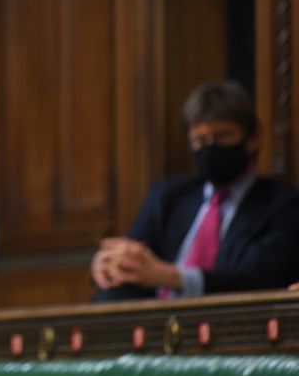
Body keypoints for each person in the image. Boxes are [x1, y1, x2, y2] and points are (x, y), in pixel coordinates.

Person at [91, 80, 299, 302]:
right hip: (156, 322)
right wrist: (109, 263)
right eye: (199, 140)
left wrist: (169, 276)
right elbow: (133, 259)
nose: (210, 148)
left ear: (253, 138)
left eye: (222, 137)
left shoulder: (282, 204)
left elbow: (256, 278)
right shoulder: (168, 196)